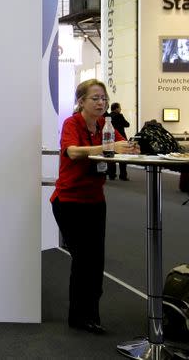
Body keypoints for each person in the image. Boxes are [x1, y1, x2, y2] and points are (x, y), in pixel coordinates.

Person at [51, 79, 138, 334]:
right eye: (95, 99)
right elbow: (73, 152)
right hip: (69, 202)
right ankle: (79, 317)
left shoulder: (105, 124)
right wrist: (109, 146)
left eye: (104, 99)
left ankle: (91, 314)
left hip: (95, 201)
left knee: (95, 260)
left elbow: (124, 147)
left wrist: (132, 147)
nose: (101, 103)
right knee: (83, 259)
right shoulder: (72, 123)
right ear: (81, 101)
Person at [106, 102, 130, 181]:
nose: (120, 109)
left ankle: (111, 175)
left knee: (111, 157)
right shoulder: (120, 116)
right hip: (120, 138)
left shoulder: (108, 116)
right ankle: (123, 175)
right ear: (116, 108)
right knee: (122, 158)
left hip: (111, 138)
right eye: (119, 107)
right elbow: (127, 124)